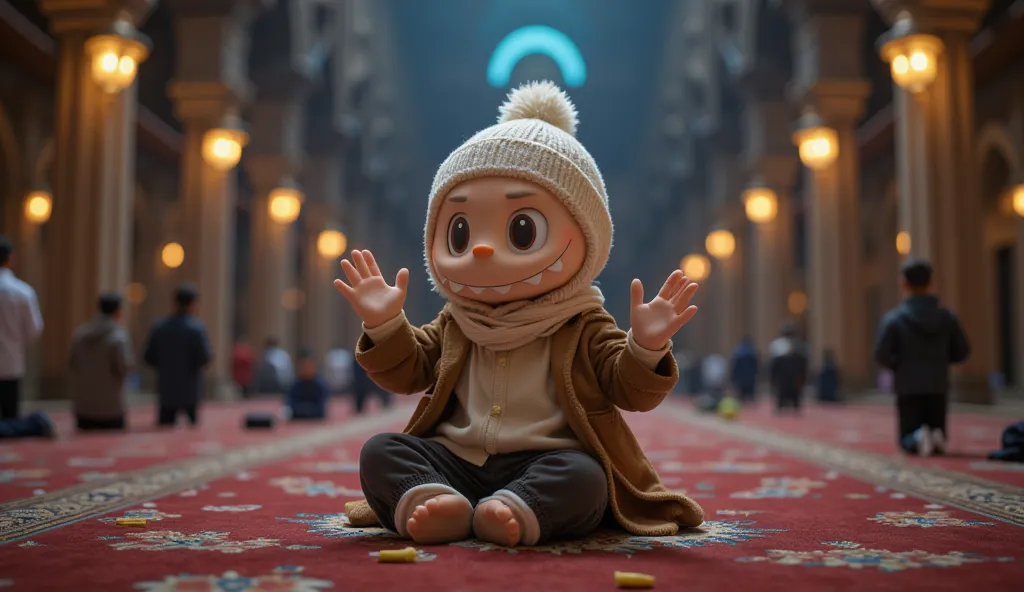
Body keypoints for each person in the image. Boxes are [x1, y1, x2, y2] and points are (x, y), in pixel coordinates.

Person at [335, 82, 704, 547]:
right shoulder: (456, 321)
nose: (483, 248)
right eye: (461, 232)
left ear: (588, 239)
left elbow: (624, 387)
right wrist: (385, 325)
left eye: (522, 230)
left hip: (544, 461)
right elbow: (411, 370)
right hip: (456, 460)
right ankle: (433, 498)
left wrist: (645, 348)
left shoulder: (582, 322)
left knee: (586, 478)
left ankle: (517, 507)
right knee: (380, 451)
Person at [875, 258, 970, 456]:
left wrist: (898, 365)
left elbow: (881, 354)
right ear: (931, 283)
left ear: (904, 284)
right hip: (938, 384)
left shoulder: (894, 319)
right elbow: (962, 351)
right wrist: (941, 360)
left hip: (907, 386)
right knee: (937, 427)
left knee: (906, 439)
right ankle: (936, 435)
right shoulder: (947, 317)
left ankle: (918, 437)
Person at [144, 284, 212, 427]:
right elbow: (205, 357)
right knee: (193, 434)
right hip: (190, 390)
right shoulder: (196, 329)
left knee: (164, 432)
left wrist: (165, 367)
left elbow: (149, 356)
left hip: (166, 389)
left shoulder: (160, 327)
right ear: (193, 304)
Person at [69, 292, 134, 431]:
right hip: (111, 410)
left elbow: (72, 364)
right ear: (118, 311)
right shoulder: (119, 337)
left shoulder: (81, 334)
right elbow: (124, 368)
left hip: (83, 409)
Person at [0, 235, 44, 419]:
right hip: (11, 362)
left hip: (12, 361)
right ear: (10, 258)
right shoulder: (22, 292)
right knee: (10, 421)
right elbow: (34, 329)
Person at [769, 322, 809, 413]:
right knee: (782, 393)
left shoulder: (799, 345)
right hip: (783, 375)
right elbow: (774, 365)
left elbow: (802, 364)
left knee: (794, 394)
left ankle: (793, 405)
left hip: (793, 374)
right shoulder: (777, 345)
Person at [285, 349, 329, 420]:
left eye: (309, 366)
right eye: (303, 365)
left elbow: (321, 410)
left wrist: (303, 411)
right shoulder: (295, 386)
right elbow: (289, 407)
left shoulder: (320, 386)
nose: (306, 369)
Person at [730, 337, 759, 402]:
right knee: (750, 397)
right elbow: (756, 367)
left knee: (742, 398)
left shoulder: (738, 353)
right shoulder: (752, 353)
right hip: (750, 378)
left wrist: (733, 378)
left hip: (741, 379)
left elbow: (735, 368)